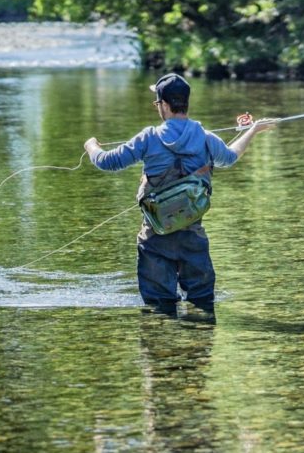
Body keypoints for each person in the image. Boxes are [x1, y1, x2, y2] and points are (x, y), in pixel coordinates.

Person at [84, 73, 276, 315]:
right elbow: (229, 157)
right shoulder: (205, 137)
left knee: (159, 310)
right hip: (193, 238)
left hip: (155, 240)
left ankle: (166, 345)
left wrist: (91, 145)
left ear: (164, 105)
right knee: (204, 306)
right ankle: (197, 349)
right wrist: (253, 130)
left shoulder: (148, 138)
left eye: (157, 103)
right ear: (185, 103)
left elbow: (107, 162)